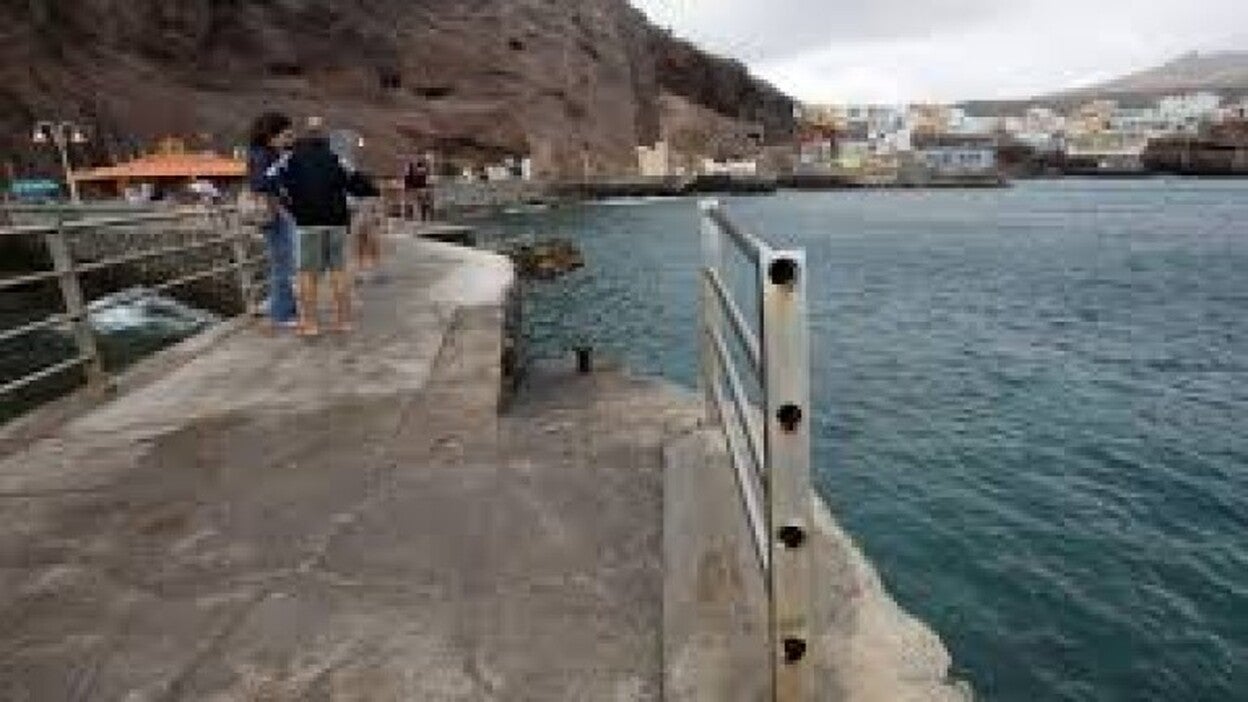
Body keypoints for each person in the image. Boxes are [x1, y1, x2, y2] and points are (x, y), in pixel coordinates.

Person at [262, 122, 379, 336]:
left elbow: (267, 180)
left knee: (308, 274)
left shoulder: (290, 158)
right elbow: (364, 185)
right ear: (325, 139)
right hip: (337, 223)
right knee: (339, 271)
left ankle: (311, 325)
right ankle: (344, 322)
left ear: (303, 137)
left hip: (307, 224)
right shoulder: (336, 158)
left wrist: (289, 202)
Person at [247, 111, 299, 330]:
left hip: (274, 214)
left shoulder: (263, 153)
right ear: (272, 136)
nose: (289, 140)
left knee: (281, 263)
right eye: (286, 135)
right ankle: (282, 313)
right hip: (275, 215)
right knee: (284, 265)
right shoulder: (264, 155)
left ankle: (277, 305)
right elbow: (263, 185)